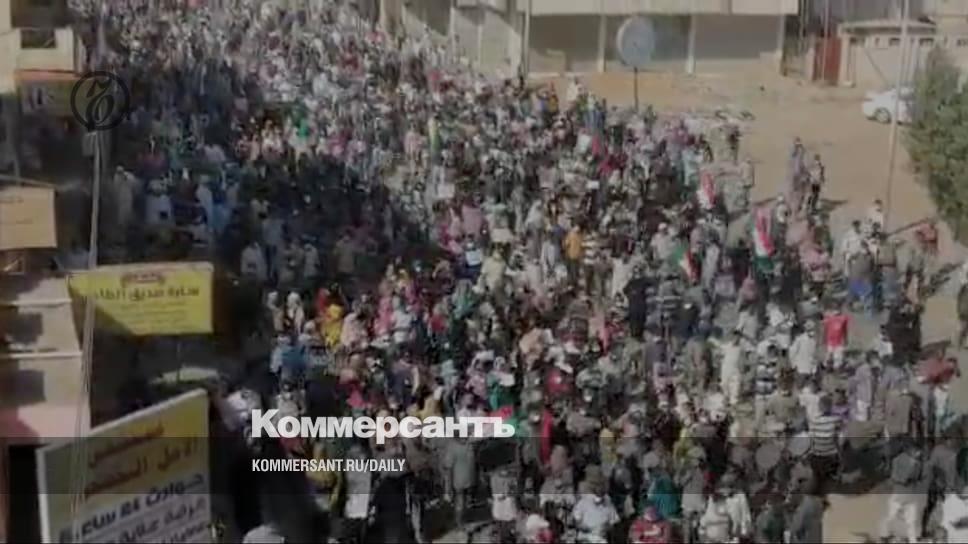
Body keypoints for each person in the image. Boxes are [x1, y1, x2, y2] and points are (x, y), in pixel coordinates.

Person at [879, 441, 928, 544]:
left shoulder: (918, 463)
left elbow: (919, 477)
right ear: (911, 450)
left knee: (911, 520)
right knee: (891, 516)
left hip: (911, 495)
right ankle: (883, 535)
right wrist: (905, 478)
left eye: (919, 452)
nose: (919, 453)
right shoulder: (898, 460)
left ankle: (912, 540)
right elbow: (895, 477)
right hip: (899, 494)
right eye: (917, 451)